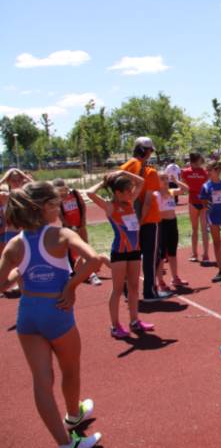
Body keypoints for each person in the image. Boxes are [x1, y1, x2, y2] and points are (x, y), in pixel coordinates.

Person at [0, 181, 104, 448]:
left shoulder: (14, 244)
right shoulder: (62, 234)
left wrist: (20, 273)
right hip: (57, 311)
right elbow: (94, 259)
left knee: (42, 382)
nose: (60, 209)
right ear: (45, 207)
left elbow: (1, 283)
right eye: (57, 204)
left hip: (27, 315)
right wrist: (71, 286)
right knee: (70, 369)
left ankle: (65, 443)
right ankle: (73, 415)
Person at [87, 171, 156, 337]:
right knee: (117, 289)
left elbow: (141, 182)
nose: (131, 193)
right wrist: (104, 183)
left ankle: (134, 321)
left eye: (131, 190)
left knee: (134, 287)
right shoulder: (110, 206)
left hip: (134, 251)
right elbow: (89, 193)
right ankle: (115, 325)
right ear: (117, 193)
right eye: (127, 191)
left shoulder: (130, 202)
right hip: (119, 253)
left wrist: (123, 172)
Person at [120, 137, 170, 301]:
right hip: (148, 221)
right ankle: (149, 292)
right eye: (150, 151)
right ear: (145, 151)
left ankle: (128, 291)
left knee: (130, 256)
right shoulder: (150, 172)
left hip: (127, 220)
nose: (150, 154)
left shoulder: (123, 169)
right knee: (150, 256)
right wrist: (140, 222)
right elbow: (148, 201)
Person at [53, 179, 101, 286]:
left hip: (80, 224)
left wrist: (83, 221)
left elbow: (82, 206)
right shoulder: (57, 199)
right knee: (73, 250)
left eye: (63, 189)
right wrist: (69, 226)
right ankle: (79, 271)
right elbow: (60, 214)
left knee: (85, 246)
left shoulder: (74, 193)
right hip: (69, 228)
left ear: (66, 187)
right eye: (59, 191)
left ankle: (90, 270)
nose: (62, 192)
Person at [155, 173, 190, 291]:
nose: (165, 181)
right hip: (162, 224)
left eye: (166, 179)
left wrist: (176, 181)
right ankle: (160, 281)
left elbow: (186, 189)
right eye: (162, 179)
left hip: (172, 223)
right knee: (161, 255)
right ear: (157, 181)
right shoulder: (156, 194)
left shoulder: (171, 192)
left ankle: (175, 278)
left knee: (172, 253)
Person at [180, 152, 210, 264]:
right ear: (197, 160)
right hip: (200, 202)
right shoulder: (204, 172)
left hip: (195, 202)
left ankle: (197, 254)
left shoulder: (186, 172)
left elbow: (184, 188)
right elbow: (207, 186)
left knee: (197, 229)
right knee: (202, 229)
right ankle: (203, 255)